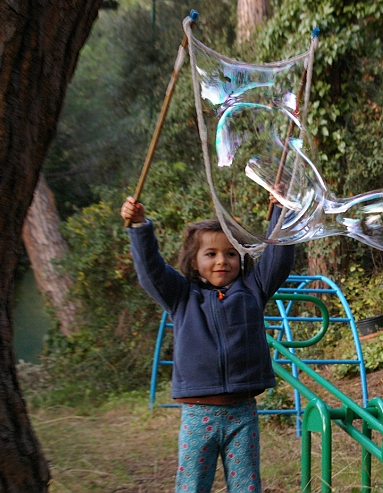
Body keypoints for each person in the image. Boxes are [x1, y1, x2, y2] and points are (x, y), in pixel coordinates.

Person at [121, 195, 295, 493]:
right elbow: (150, 271)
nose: (221, 261)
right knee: (192, 486)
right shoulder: (181, 296)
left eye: (230, 253)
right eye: (210, 253)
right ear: (193, 261)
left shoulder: (253, 289)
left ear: (241, 257)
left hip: (242, 413)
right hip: (197, 416)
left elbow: (278, 259)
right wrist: (139, 226)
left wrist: (281, 208)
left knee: (246, 486)